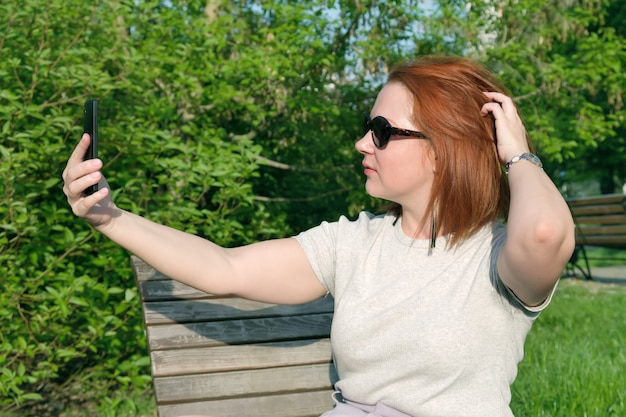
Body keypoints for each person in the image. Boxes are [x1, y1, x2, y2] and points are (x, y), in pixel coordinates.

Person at [63, 55, 575, 417]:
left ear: (444, 150)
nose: (361, 143)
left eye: (380, 130)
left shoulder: (496, 257)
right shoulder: (352, 245)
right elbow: (224, 268)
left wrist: (517, 155)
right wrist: (110, 216)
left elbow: (547, 233)